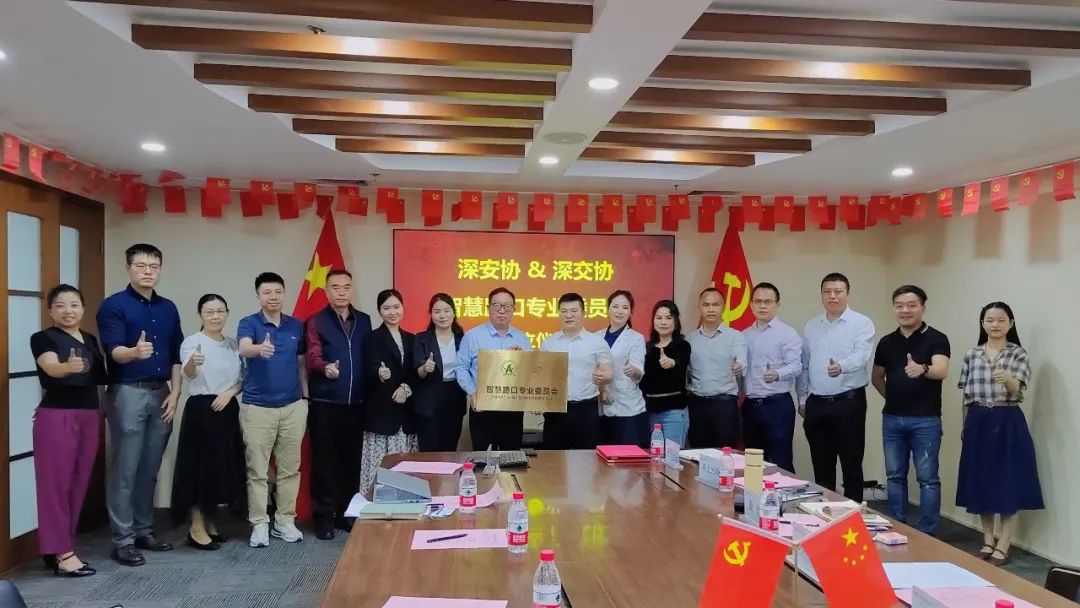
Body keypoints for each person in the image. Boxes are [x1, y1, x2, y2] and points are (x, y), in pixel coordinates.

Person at [97, 243, 183, 566]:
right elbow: (114, 351)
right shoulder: (114, 306)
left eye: (153, 266)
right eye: (141, 265)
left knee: (149, 467)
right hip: (128, 392)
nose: (148, 271)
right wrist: (134, 352)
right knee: (126, 468)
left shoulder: (168, 307)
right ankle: (123, 539)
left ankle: (144, 530)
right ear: (129, 268)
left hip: (162, 392)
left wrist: (176, 393)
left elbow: (177, 355)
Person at [956, 302, 1043, 566]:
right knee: (981, 481)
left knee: (1007, 482)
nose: (995, 325)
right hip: (978, 419)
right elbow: (966, 395)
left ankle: (1004, 543)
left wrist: (1009, 380)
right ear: (982, 323)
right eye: (990, 320)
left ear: (1010, 323)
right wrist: (965, 426)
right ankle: (987, 540)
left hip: (1007, 419)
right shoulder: (972, 354)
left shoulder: (1018, 353)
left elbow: (1018, 390)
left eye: (1001, 320)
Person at [30, 284, 108, 577]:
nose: (68, 311)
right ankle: (63, 553)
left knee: (78, 483)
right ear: (50, 310)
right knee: (55, 486)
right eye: (60, 305)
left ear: (83, 309)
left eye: (74, 304)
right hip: (56, 416)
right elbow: (51, 368)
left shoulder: (90, 339)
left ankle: (58, 547)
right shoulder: (43, 338)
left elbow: (100, 378)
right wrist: (68, 367)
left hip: (89, 415)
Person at [871, 285, 950, 535]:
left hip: (926, 420)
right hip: (892, 419)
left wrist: (922, 369)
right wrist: (894, 397)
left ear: (922, 307)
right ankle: (896, 526)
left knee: (928, 478)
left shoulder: (937, 338)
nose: (905, 310)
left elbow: (942, 370)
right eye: (900, 306)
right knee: (894, 476)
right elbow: (876, 377)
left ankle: (927, 532)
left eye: (911, 305)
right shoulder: (886, 342)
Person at [237, 272, 308, 548]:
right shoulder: (249, 323)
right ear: (258, 296)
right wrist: (258, 349)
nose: (273, 297)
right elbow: (244, 348)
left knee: (290, 469)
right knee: (257, 471)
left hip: (292, 406)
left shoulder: (295, 325)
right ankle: (259, 523)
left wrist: (305, 399)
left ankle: (284, 520)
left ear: (284, 294)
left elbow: (301, 364)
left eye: (278, 292)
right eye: (267, 292)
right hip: (258, 408)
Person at [171, 294, 246, 550]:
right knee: (199, 470)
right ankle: (196, 527)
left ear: (227, 313)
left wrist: (229, 393)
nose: (215, 316)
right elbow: (188, 374)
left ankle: (210, 522)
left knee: (219, 469)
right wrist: (193, 363)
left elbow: (242, 379)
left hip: (227, 409)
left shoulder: (233, 344)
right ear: (200, 315)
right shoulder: (193, 342)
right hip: (202, 410)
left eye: (220, 311)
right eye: (209, 312)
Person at [304, 269, 371, 540]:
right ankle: (323, 517)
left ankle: (346, 513)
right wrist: (325, 368)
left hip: (357, 403)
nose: (341, 292)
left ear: (351, 289)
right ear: (326, 291)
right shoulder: (316, 321)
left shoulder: (364, 320)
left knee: (351, 462)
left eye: (346, 287)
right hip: (325, 402)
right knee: (324, 462)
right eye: (335, 287)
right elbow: (312, 355)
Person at [796, 272, 876, 502]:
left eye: (838, 292)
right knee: (821, 465)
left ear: (847, 294)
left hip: (848, 402)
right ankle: (825, 512)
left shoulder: (862, 323)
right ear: (821, 295)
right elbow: (805, 364)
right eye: (827, 292)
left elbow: (863, 355)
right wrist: (802, 398)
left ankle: (853, 514)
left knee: (851, 463)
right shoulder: (812, 325)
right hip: (817, 403)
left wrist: (842, 366)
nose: (832, 296)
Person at [456, 287, 532, 450]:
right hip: (482, 407)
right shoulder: (473, 336)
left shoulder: (522, 338)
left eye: (507, 306)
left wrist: (521, 360)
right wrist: (473, 393)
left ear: (514, 309)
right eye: (497, 305)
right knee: (483, 456)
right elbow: (461, 368)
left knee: (511, 457)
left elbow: (529, 372)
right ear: (488, 308)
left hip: (512, 409)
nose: (502, 311)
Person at [360, 289, 418, 492]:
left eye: (396, 307)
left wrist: (406, 387)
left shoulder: (412, 339)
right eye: (387, 308)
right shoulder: (372, 338)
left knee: (405, 472)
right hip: (381, 414)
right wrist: (378, 372)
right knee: (379, 471)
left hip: (406, 416)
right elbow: (366, 368)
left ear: (403, 308)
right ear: (379, 311)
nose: (392, 312)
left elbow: (415, 371)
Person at [540, 293, 614, 450]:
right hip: (556, 410)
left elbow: (608, 372)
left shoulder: (597, 342)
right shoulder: (548, 343)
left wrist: (603, 377)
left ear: (583, 313)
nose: (568, 315)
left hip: (586, 410)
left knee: (587, 458)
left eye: (574, 311)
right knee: (553, 458)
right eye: (564, 311)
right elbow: (542, 374)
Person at [742, 282, 801, 473]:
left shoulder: (787, 333)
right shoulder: (744, 335)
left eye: (768, 302)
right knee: (753, 464)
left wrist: (778, 374)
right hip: (751, 405)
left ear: (777, 305)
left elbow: (796, 366)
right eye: (758, 301)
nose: (762, 306)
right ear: (751, 305)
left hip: (777, 405)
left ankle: (786, 493)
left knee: (781, 462)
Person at [685, 287, 747, 449]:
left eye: (715, 304)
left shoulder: (735, 336)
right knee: (697, 454)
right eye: (706, 305)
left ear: (723, 307)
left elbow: (741, 360)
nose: (711, 309)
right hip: (696, 405)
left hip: (724, 405)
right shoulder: (690, 339)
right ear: (699, 307)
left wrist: (738, 366)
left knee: (725, 454)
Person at [412, 293, 466, 452]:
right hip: (429, 398)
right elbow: (417, 371)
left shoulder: (462, 338)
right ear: (431, 314)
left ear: (454, 313)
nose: (442, 316)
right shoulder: (421, 338)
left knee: (450, 448)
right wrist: (424, 368)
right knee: (429, 449)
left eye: (447, 311)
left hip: (454, 396)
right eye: (437, 311)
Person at [597, 290, 648, 446]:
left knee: (628, 458)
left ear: (630, 312)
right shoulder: (596, 337)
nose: (620, 311)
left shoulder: (636, 338)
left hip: (628, 407)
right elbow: (593, 369)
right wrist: (602, 389)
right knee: (603, 457)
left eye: (625, 307)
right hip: (602, 406)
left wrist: (633, 370)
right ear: (608, 309)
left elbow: (638, 371)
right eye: (615, 306)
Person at [639, 300, 691, 449]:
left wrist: (671, 362)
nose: (663, 322)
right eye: (659, 318)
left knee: (671, 457)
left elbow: (681, 364)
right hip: (649, 413)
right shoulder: (647, 347)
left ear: (676, 322)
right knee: (653, 457)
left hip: (673, 412)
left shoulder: (682, 346)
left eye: (668, 318)